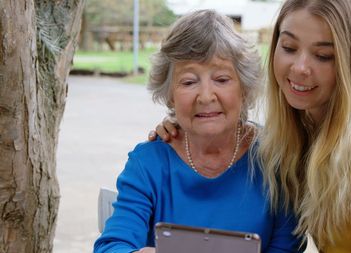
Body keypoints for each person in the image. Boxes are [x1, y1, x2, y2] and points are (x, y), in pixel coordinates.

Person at [152, 0, 351, 252]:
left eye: (323, 56)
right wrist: (185, 130)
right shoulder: (302, 125)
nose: (299, 68)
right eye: (289, 47)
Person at [94, 10, 303, 253]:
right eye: (189, 82)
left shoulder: (277, 160)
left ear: (244, 89)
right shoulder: (148, 163)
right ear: (170, 95)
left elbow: (287, 248)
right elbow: (112, 245)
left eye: (222, 79)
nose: (205, 96)